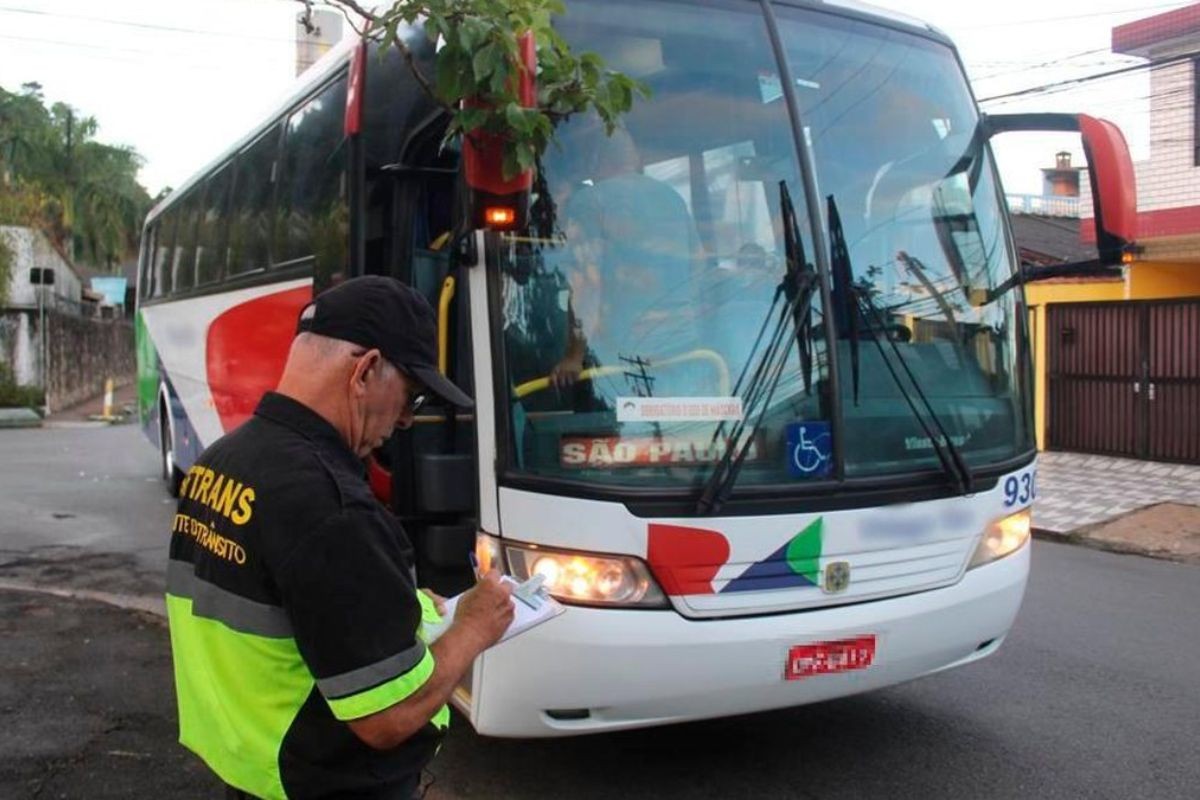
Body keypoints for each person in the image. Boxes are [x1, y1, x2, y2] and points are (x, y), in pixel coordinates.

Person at [165, 275, 514, 800]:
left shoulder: (219, 462)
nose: (406, 419)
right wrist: (474, 627)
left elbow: (287, 603)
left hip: (250, 767)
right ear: (366, 370)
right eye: (411, 395)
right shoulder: (333, 509)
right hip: (326, 784)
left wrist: (400, 604)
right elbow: (387, 716)